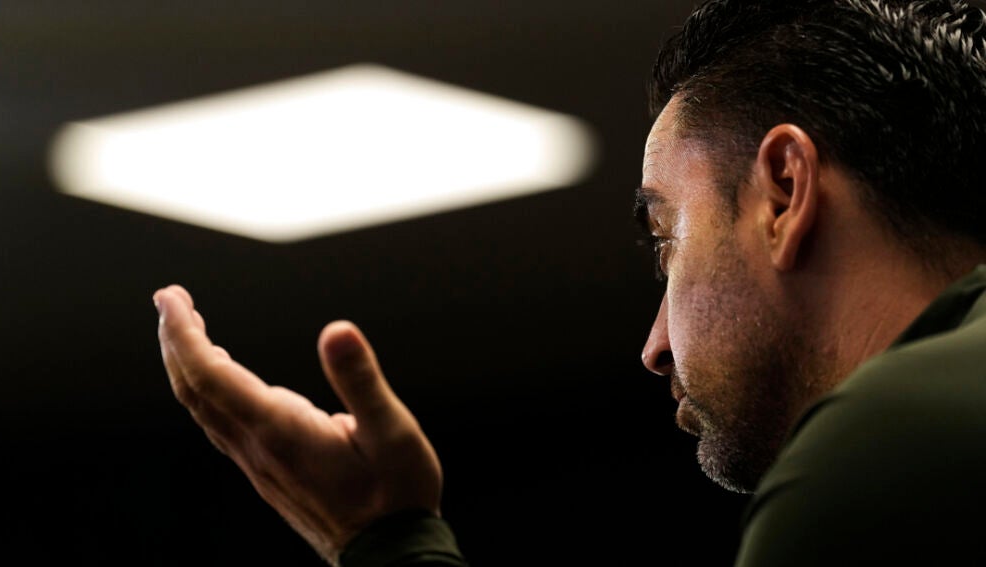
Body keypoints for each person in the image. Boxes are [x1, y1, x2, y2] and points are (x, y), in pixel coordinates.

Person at [153, 0, 986, 564]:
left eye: (666, 239)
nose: (655, 347)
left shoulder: (880, 460)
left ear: (784, 191)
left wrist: (384, 540)